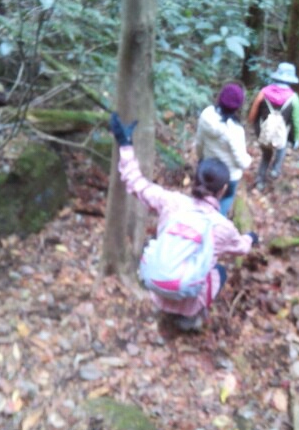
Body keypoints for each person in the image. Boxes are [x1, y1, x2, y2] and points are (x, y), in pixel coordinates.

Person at [109, 112, 258, 331]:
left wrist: (125, 145)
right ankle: (190, 318)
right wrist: (251, 237)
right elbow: (241, 248)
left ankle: (168, 308)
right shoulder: (222, 227)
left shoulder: (171, 202)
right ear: (223, 190)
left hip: (157, 285)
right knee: (219, 272)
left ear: (195, 181)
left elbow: (135, 182)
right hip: (186, 292)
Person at [195, 83, 251, 216]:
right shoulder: (235, 130)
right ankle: (218, 220)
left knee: (201, 198)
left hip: (207, 170)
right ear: (238, 106)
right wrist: (249, 160)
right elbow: (241, 162)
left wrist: (201, 160)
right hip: (228, 176)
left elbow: (199, 143)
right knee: (227, 196)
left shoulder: (206, 116)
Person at [248, 62, 299, 191]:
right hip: (281, 135)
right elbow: (297, 121)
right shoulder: (294, 98)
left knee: (266, 155)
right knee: (281, 147)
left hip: (264, 132)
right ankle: (275, 169)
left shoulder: (263, 93)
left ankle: (260, 180)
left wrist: (255, 127)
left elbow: (252, 115)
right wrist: (296, 138)